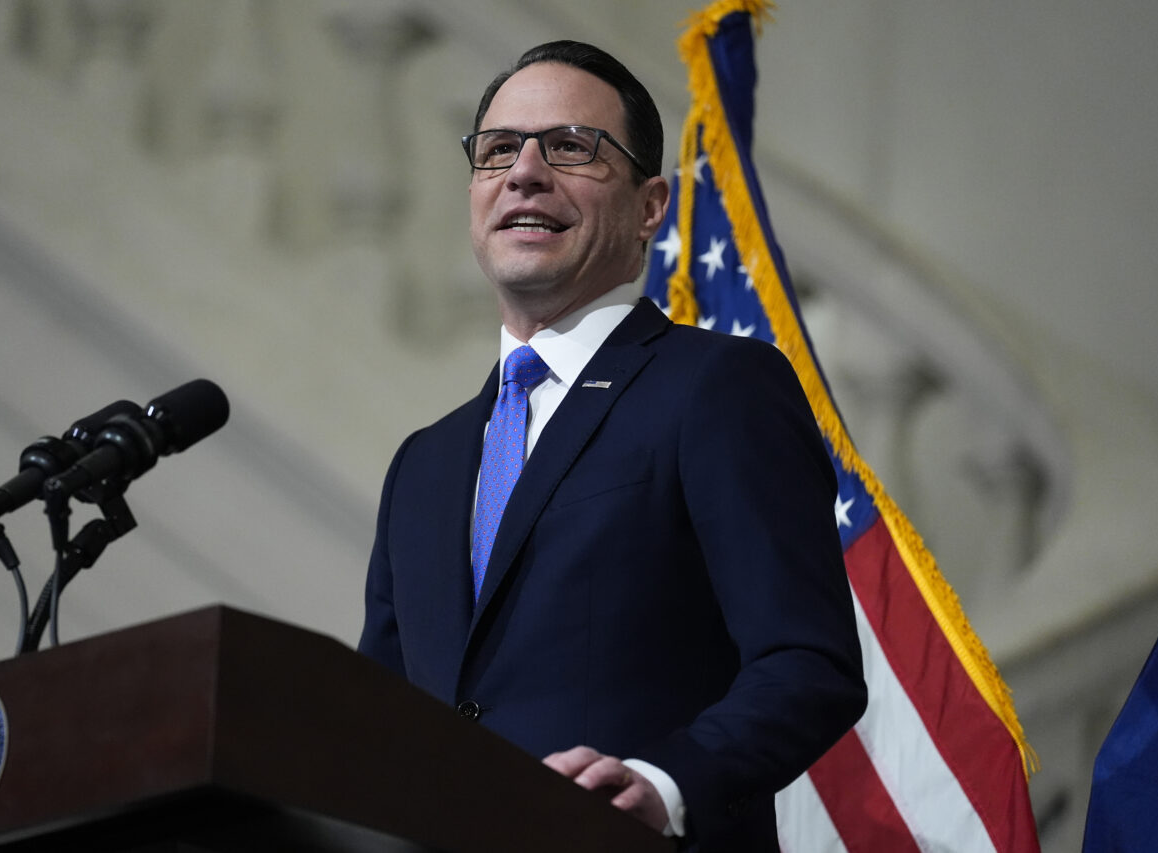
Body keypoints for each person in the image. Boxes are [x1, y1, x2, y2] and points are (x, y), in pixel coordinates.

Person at [358, 40, 866, 851]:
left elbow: (808, 662)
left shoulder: (716, 387)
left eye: (570, 147)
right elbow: (376, 727)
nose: (524, 172)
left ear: (649, 206)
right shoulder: (423, 464)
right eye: (497, 151)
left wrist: (665, 784)